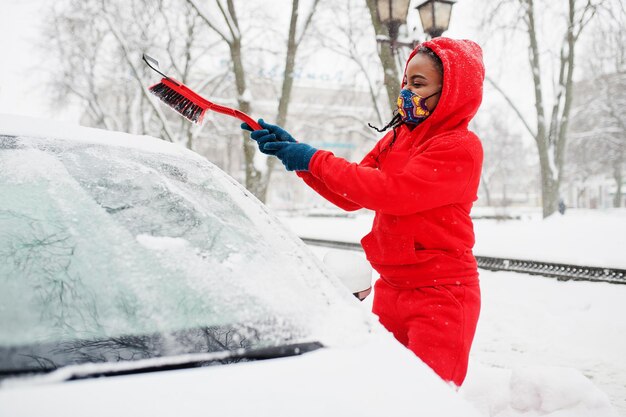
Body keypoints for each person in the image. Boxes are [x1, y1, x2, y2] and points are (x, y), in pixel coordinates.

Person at [242, 37, 484, 387]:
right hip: (391, 287)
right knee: (384, 391)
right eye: (405, 83)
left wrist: (314, 158)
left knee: (426, 399)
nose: (405, 93)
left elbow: (392, 193)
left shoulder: (458, 147)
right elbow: (353, 196)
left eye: (418, 85)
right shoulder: (396, 138)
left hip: (440, 295)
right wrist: (296, 158)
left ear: (450, 92)